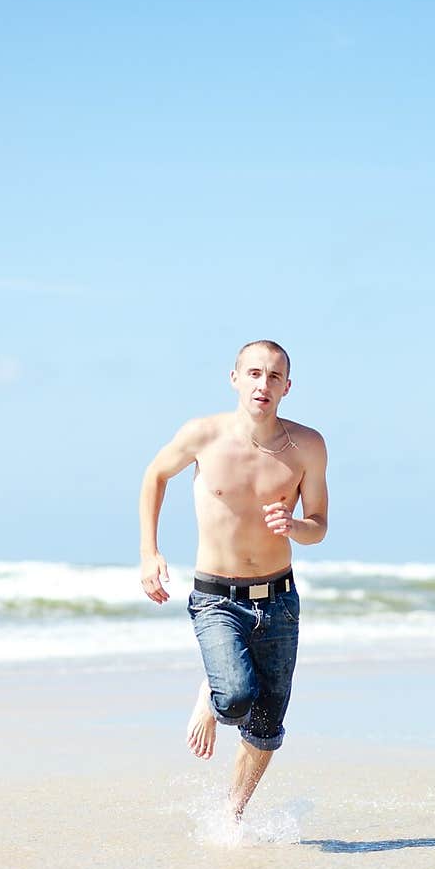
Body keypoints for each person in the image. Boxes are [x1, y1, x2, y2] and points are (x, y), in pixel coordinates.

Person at [139, 341, 329, 820]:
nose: (263, 385)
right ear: (235, 378)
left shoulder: (307, 447)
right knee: (236, 694)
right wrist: (150, 552)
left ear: (288, 387)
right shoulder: (203, 435)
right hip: (217, 598)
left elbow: (319, 525)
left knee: (267, 727)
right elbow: (155, 475)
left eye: (273, 377)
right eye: (254, 374)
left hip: (280, 600)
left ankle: (233, 814)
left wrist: (294, 526)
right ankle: (212, 692)